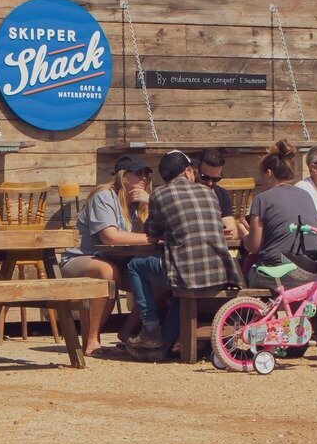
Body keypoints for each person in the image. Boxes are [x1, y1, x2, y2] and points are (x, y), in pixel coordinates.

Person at [59, 154, 160, 355]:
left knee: (159, 278)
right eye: (138, 173)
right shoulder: (104, 196)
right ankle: (92, 340)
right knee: (107, 272)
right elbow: (110, 237)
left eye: (146, 175)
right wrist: (153, 239)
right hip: (81, 258)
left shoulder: (141, 203)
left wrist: (150, 205)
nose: (143, 179)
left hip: (119, 261)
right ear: (122, 176)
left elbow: (153, 231)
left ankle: (126, 333)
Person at [144, 149, 236, 356]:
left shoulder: (160, 193)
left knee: (135, 266)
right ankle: (166, 341)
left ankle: (150, 328)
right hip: (223, 274)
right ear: (189, 171)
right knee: (183, 286)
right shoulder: (209, 193)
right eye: (204, 176)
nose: (211, 182)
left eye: (216, 179)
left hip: (188, 275)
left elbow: (152, 230)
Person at [244, 141, 317, 290]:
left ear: (269, 173)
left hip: (281, 276)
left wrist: (244, 234)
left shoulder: (262, 199)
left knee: (248, 269)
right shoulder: (306, 196)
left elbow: (254, 246)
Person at [193, 147, 244, 244]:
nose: (210, 183)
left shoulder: (221, 193)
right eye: (205, 178)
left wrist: (227, 234)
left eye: (216, 179)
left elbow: (233, 231)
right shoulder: (185, 195)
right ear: (195, 170)